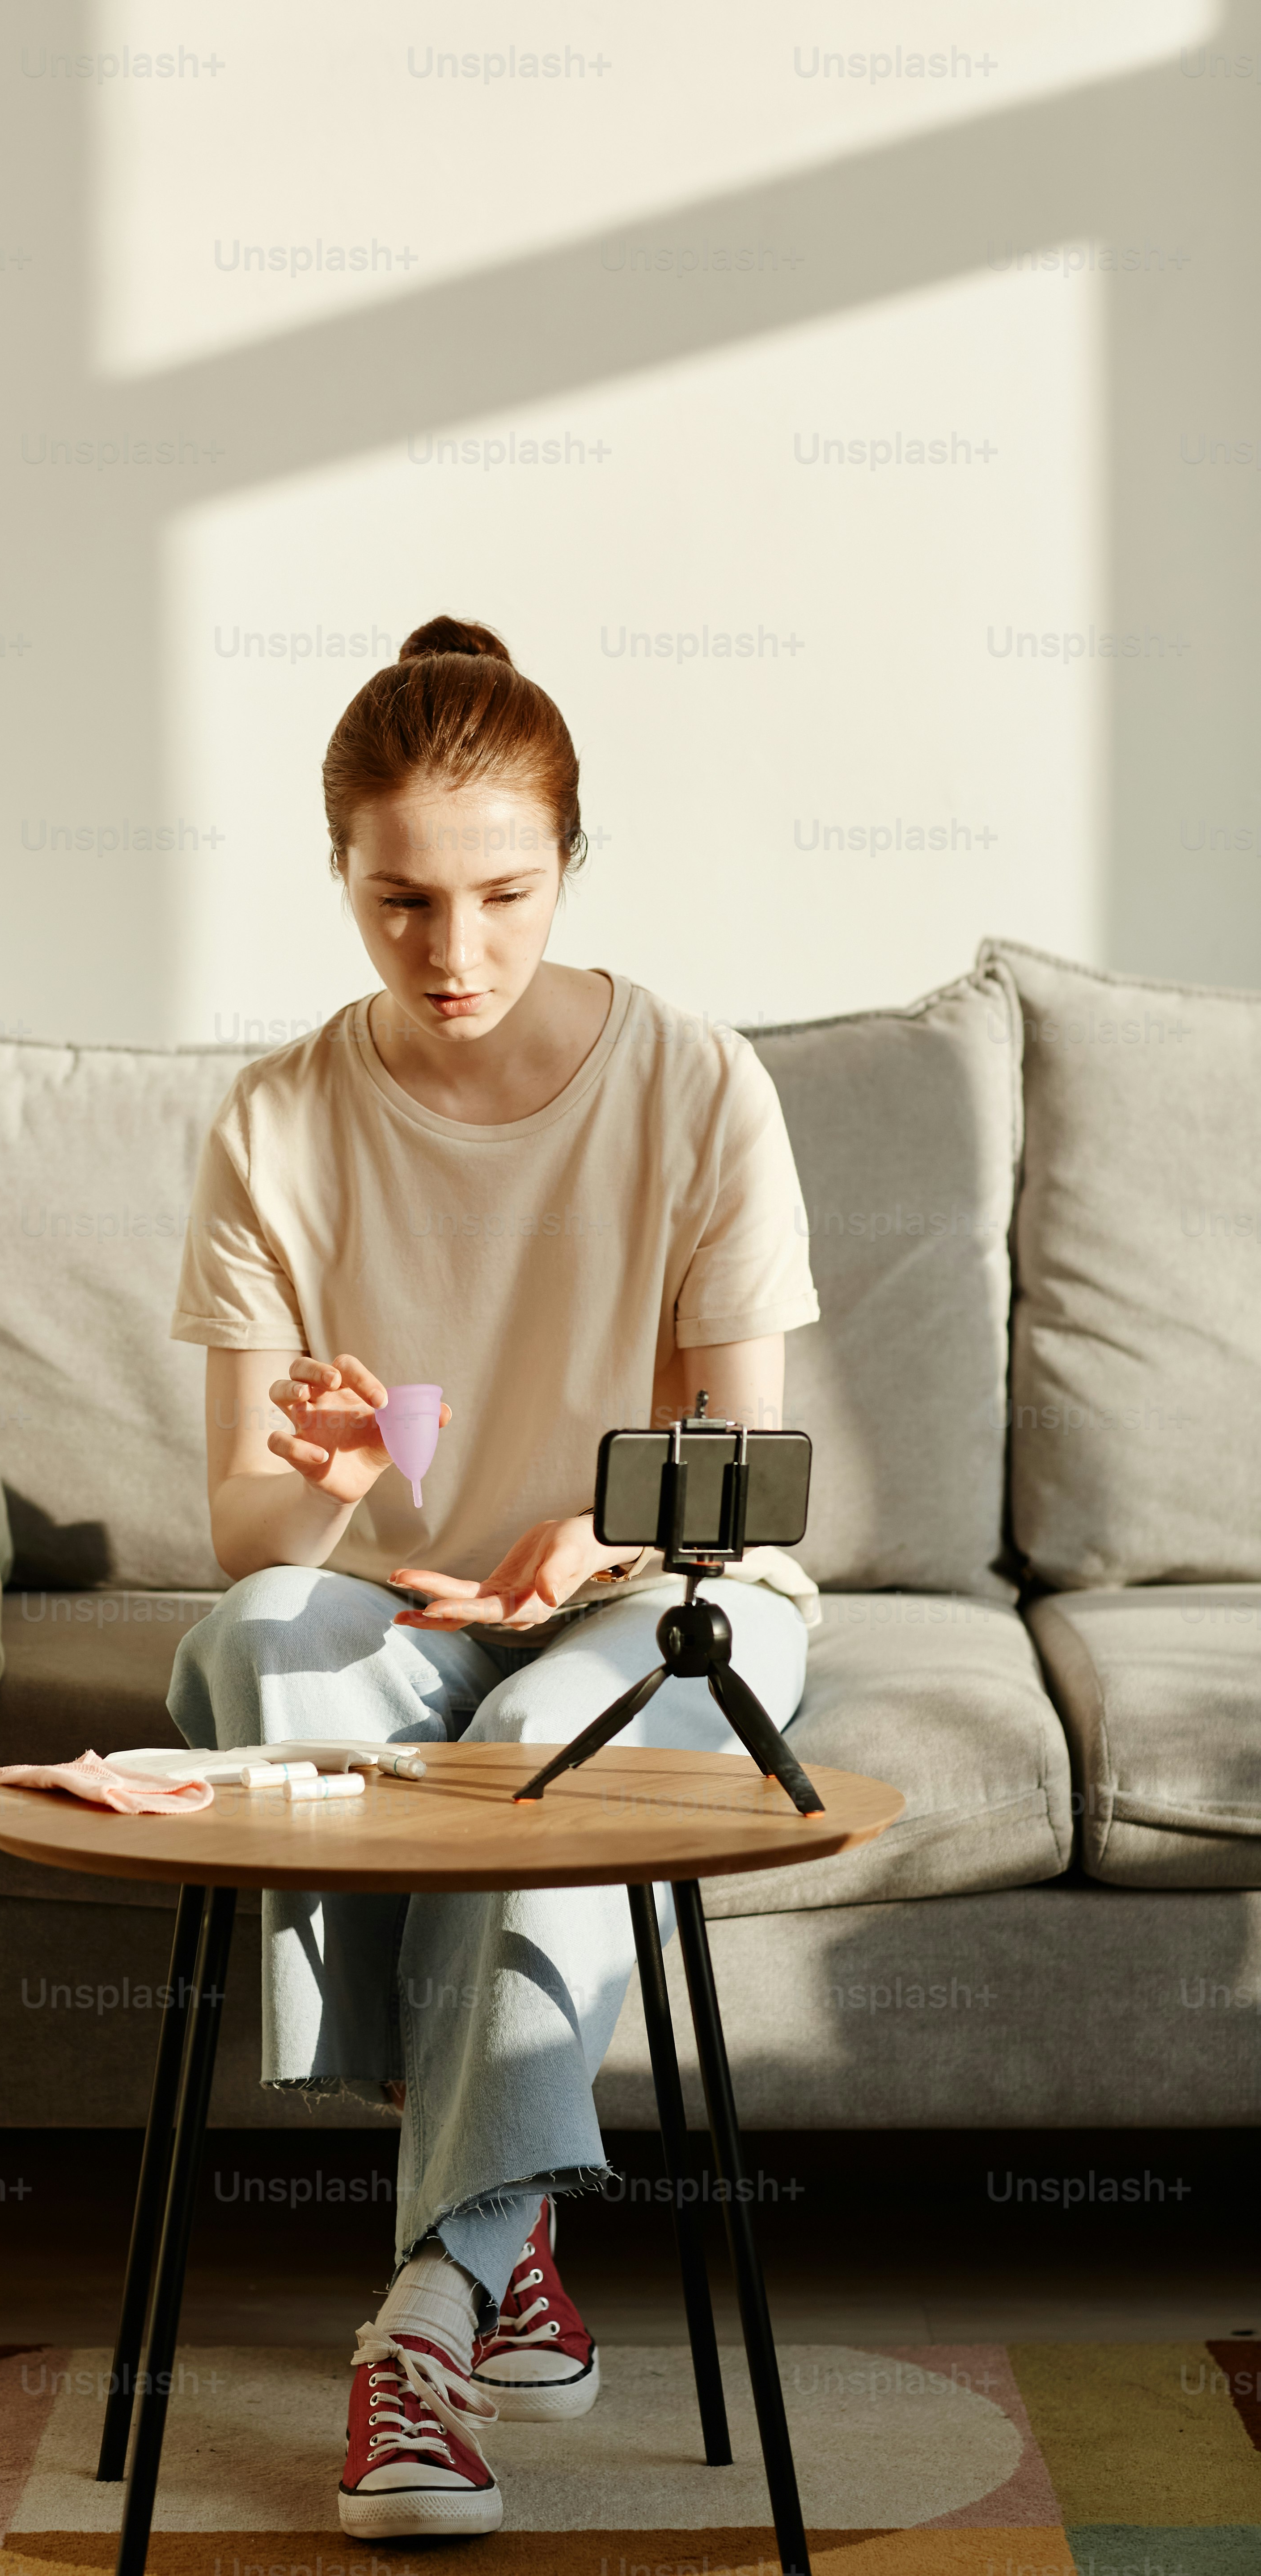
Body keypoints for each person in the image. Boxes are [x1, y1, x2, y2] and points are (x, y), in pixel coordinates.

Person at [166, 614, 820, 2540]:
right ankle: (508, 2213)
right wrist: (335, 1475)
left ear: (571, 863)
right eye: (401, 903)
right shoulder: (278, 1123)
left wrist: (607, 1536)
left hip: (654, 1605)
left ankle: (429, 2323)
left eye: (503, 896)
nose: (453, 955)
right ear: (344, 880)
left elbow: (757, 1490)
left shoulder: (696, 1085)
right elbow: (243, 1542)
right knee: (265, 1644)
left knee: (553, 1738)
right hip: (398, 1607)